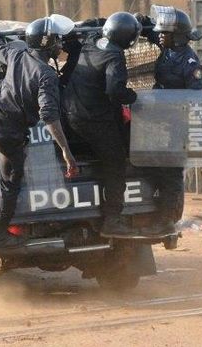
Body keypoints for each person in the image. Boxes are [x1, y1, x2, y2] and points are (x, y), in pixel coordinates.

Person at [0, 18, 77, 253]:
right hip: (8, 133)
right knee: (11, 182)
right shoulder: (46, 75)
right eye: (57, 40)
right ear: (46, 43)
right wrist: (67, 152)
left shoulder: (17, 55)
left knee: (5, 170)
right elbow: (50, 118)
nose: (60, 44)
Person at [63, 12, 142, 238]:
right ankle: (113, 219)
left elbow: (92, 23)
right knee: (117, 162)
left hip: (70, 113)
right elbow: (115, 91)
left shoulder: (92, 40)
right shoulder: (115, 56)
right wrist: (134, 97)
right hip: (92, 119)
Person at [137, 5, 202, 237]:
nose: (160, 36)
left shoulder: (189, 62)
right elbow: (151, 32)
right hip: (160, 124)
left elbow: (196, 99)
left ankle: (167, 221)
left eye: (164, 33)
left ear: (176, 36)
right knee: (154, 169)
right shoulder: (167, 47)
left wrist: (193, 136)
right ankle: (153, 213)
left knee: (171, 175)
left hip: (177, 127)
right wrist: (142, 21)